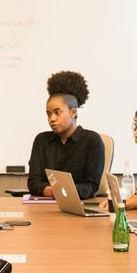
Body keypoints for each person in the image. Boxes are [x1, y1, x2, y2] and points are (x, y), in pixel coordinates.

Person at [27, 71, 105, 200]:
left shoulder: (92, 141)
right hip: (45, 206)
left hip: (79, 205)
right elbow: (33, 182)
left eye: (57, 113)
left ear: (73, 112)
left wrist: (58, 191)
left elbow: (91, 186)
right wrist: (53, 191)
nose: (52, 119)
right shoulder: (42, 140)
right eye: (48, 114)